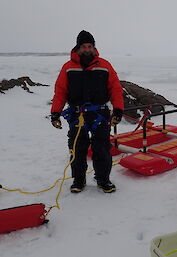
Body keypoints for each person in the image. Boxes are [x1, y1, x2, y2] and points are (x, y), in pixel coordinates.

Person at [50, 30, 124, 193]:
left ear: (94, 47)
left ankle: (103, 180)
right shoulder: (68, 67)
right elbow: (60, 91)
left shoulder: (104, 65)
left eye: (90, 46)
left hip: (100, 114)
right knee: (77, 149)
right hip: (77, 115)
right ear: (78, 47)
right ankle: (78, 180)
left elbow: (115, 89)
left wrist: (118, 110)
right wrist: (55, 113)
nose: (87, 49)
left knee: (102, 148)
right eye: (84, 46)